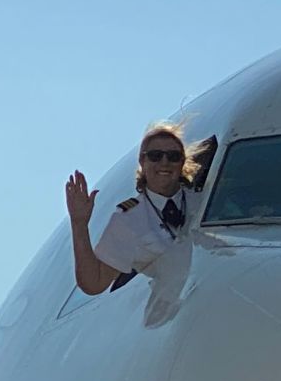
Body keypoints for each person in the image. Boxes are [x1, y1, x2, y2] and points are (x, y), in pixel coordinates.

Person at [65, 122, 205, 297]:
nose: (164, 162)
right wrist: (79, 224)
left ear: (182, 162)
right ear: (142, 161)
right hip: (168, 310)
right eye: (155, 156)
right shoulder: (129, 220)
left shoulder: (203, 200)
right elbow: (94, 283)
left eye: (173, 156)